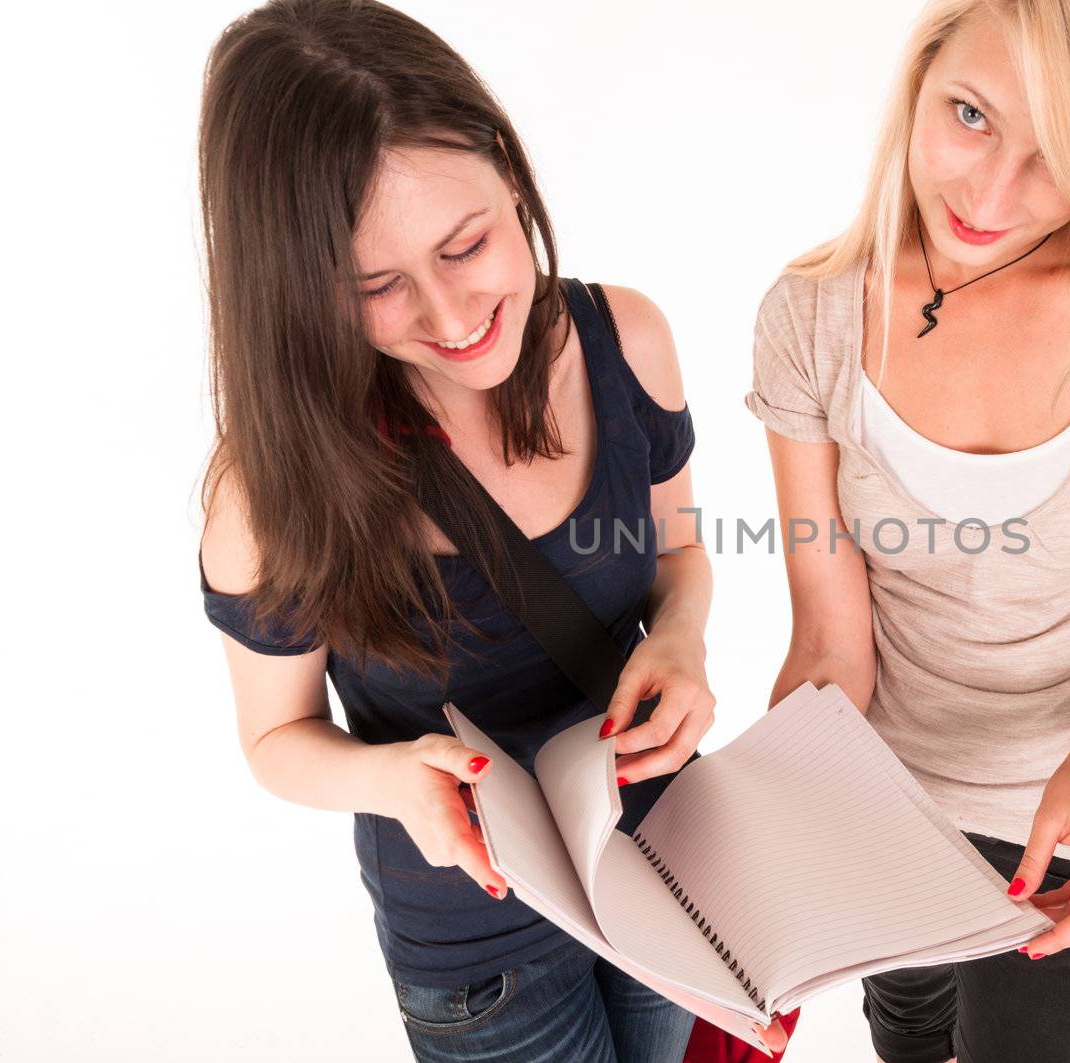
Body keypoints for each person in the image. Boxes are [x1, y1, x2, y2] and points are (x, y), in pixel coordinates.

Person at [192, 1, 755, 1058]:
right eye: (377, 288)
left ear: (504, 163)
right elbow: (275, 739)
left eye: (467, 244)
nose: (453, 319)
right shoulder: (270, 491)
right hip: (477, 947)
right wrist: (386, 777)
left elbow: (679, 555)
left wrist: (680, 642)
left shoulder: (624, 340)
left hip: (662, 862)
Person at [744, 1, 1070, 1060]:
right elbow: (826, 638)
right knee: (907, 1027)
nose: (989, 196)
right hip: (879, 803)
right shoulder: (808, 314)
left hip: (1069, 811)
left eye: (1061, 154)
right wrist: (777, 831)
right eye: (970, 114)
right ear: (919, 76)